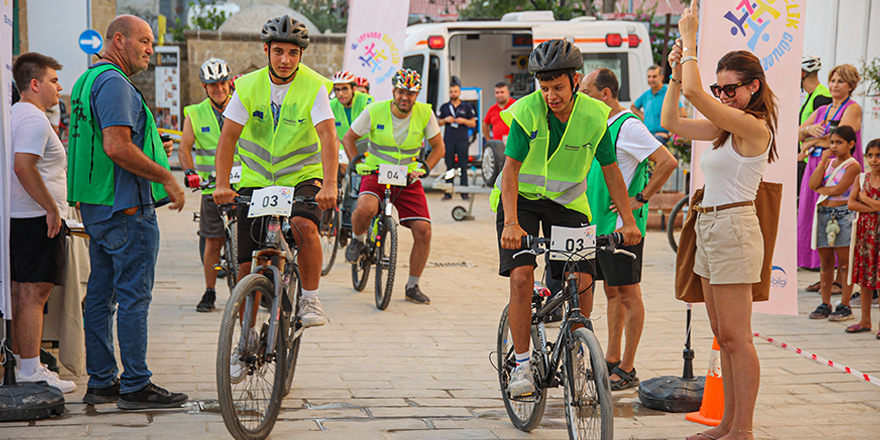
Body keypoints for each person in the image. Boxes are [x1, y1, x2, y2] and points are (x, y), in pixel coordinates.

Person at [493, 39, 641, 398]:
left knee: (584, 277)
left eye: (558, 87)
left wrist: (628, 221)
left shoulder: (594, 115)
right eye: (544, 89)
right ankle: (524, 366)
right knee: (522, 277)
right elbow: (510, 172)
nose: (551, 96)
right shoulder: (525, 111)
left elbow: (611, 172)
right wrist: (511, 223)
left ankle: (576, 343)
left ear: (575, 81)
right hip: (522, 202)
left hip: (568, 203)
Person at [663, 3, 778, 439]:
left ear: (753, 86)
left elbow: (696, 97)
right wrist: (676, 71)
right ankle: (728, 422)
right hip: (712, 226)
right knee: (722, 334)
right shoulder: (726, 128)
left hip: (732, 226)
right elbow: (671, 119)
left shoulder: (754, 126)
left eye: (730, 89)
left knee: (737, 337)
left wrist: (690, 40)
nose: (723, 96)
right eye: (720, 88)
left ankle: (742, 429)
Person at [68, 15, 187, 409]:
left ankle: (102, 382)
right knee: (134, 298)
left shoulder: (87, 79)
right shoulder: (115, 83)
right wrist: (167, 178)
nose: (150, 49)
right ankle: (136, 385)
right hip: (125, 208)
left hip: (97, 207)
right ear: (119, 40)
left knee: (101, 297)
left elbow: (113, 141)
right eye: (145, 41)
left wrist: (152, 151)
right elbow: (116, 146)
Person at [212, 15, 338, 339]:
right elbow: (228, 139)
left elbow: (327, 137)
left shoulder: (315, 86)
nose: (285, 60)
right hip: (257, 179)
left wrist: (331, 184)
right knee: (245, 265)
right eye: (279, 51)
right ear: (266, 50)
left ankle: (310, 300)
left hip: (302, 176)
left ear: (301, 55)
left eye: (293, 53)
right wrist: (223, 183)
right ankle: (245, 336)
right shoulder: (247, 86)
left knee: (306, 226)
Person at [581, 68, 678, 391]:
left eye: (587, 91)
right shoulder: (599, 124)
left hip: (622, 228)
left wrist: (641, 198)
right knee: (611, 291)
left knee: (628, 294)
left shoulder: (629, 126)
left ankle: (628, 366)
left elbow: (667, 162)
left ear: (605, 94)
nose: (581, 97)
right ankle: (611, 358)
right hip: (597, 224)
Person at [342, 68, 445, 305]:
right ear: (393, 91)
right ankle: (357, 240)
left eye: (410, 93)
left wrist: (425, 168)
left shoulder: (424, 113)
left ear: (416, 94)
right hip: (376, 172)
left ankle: (412, 285)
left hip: (408, 177)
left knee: (424, 231)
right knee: (365, 209)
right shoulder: (375, 110)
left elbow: (439, 147)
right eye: (401, 92)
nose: (405, 97)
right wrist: (356, 163)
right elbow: (349, 138)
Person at [9, 52, 76, 393]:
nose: (58, 88)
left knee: (22, 295)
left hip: (18, 218)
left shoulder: (13, 115)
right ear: (34, 84)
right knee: (34, 296)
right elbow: (24, 166)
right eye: (53, 80)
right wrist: (51, 208)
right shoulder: (34, 119)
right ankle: (31, 369)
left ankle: (26, 366)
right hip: (37, 219)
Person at [179, 58, 238, 312]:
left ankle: (253, 289)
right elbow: (184, 148)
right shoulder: (195, 113)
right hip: (211, 188)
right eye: (212, 84)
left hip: (242, 185)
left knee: (250, 240)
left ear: (230, 83)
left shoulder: (242, 107)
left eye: (223, 82)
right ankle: (210, 291)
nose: (219, 88)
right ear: (204, 87)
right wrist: (190, 171)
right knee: (213, 241)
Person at [797, 64, 863, 278]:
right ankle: (822, 272)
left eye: (840, 81)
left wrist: (813, 140)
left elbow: (842, 136)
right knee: (814, 216)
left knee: (839, 218)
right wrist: (807, 130)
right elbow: (797, 133)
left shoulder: (852, 108)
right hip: (818, 166)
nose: (835, 85)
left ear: (851, 85)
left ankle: (839, 278)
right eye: (833, 80)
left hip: (840, 169)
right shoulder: (822, 110)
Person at [807, 126, 860, 322]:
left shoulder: (853, 165)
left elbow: (839, 189)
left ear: (851, 144)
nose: (834, 146)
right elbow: (813, 185)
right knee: (826, 262)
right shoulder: (828, 163)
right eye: (832, 142)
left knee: (845, 263)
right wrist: (822, 163)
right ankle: (825, 302)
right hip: (824, 213)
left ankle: (845, 304)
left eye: (839, 142)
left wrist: (822, 188)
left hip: (843, 214)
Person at [846, 139, 880, 336]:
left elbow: (859, 200)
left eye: (878, 155)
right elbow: (851, 203)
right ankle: (865, 320)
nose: (874, 160)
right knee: (865, 278)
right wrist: (873, 207)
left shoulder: (866, 187)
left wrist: (866, 199)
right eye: (870, 155)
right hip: (865, 235)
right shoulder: (861, 179)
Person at [798, 54, 832, 197]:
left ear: (801, 73)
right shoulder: (811, 96)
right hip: (806, 157)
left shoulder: (821, 98)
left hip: (813, 159)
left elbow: (823, 132)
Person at [438, 79, 477, 198]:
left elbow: (473, 124)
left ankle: (464, 192)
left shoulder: (466, 106)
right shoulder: (445, 107)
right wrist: (445, 120)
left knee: (463, 166)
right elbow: (439, 122)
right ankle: (448, 191)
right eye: (451, 91)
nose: (453, 93)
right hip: (449, 140)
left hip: (462, 140)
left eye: (455, 91)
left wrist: (463, 121)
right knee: (449, 166)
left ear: (459, 92)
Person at [330, 70, 373, 172]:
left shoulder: (366, 100)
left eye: (345, 89)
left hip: (365, 146)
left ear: (354, 88)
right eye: (337, 90)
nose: (340, 94)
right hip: (344, 147)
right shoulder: (332, 104)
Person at [630, 64, 686, 144]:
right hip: (648, 135)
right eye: (649, 77)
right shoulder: (646, 94)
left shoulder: (668, 93)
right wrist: (644, 117)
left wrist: (669, 135)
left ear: (661, 77)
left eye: (654, 76)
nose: (651, 79)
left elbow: (683, 114)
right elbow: (633, 107)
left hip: (662, 138)